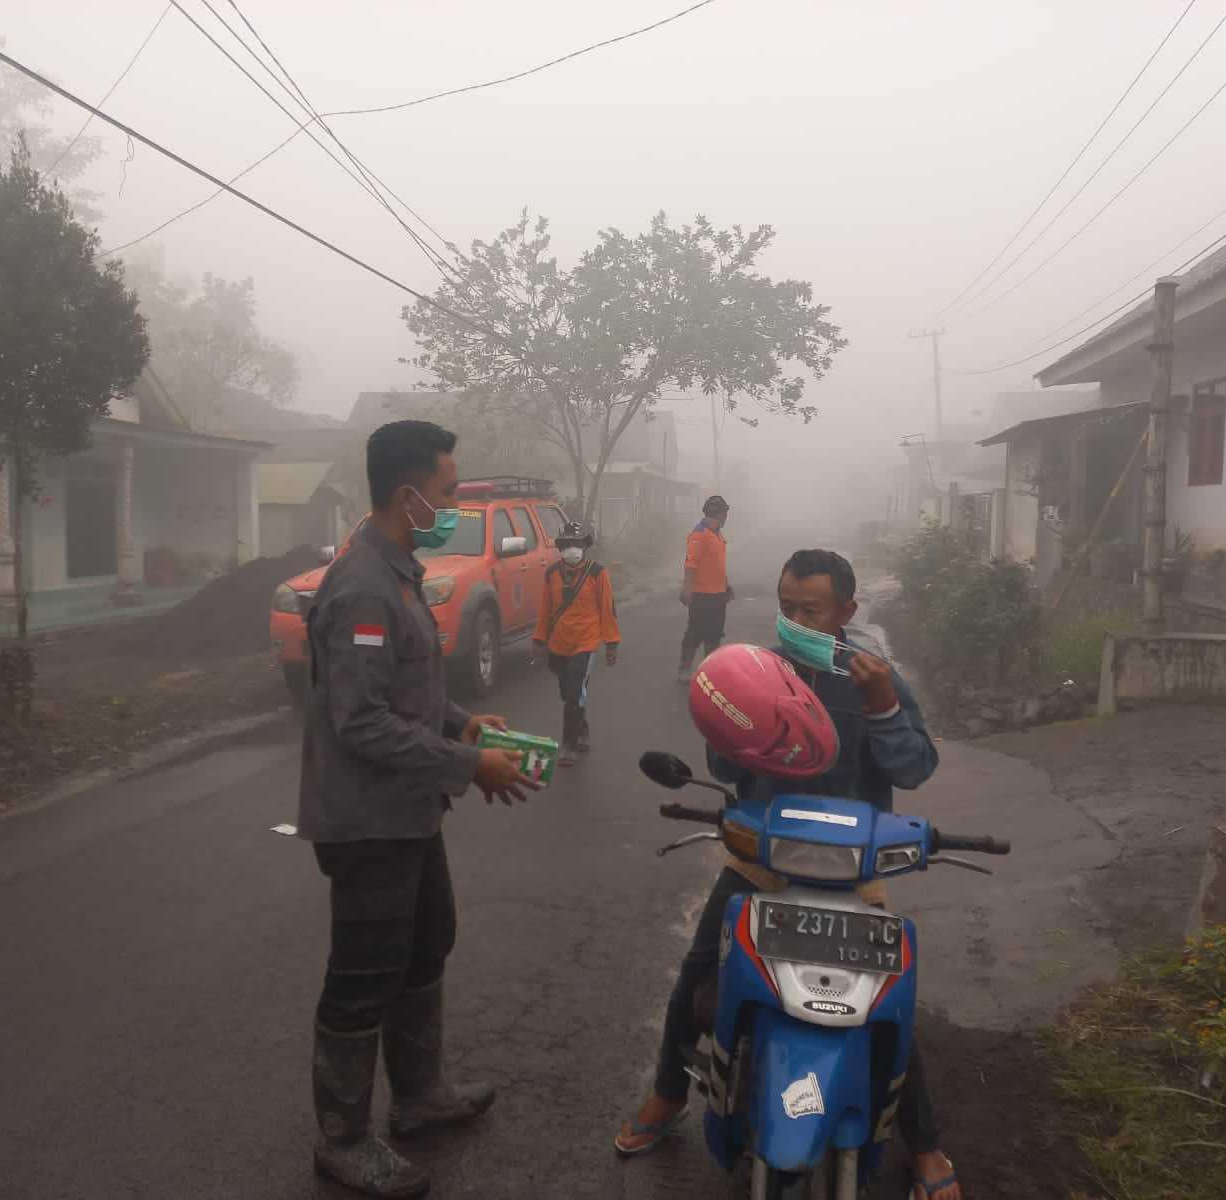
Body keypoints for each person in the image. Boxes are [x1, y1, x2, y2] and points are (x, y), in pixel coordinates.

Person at [617, 549, 961, 1200]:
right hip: (762, 863)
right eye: (787, 606)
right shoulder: (759, 669)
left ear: (846, 613)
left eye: (812, 610)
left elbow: (913, 768)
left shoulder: (874, 678)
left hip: (851, 874)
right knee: (699, 974)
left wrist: (884, 707)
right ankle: (669, 1094)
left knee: (885, 1009)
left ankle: (925, 1143)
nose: (796, 620)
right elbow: (723, 768)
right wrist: (738, 721)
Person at [298, 419, 538, 1198]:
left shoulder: (397, 569)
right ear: (408, 493)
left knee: (429, 941)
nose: (449, 503)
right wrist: (471, 764)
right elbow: (359, 721)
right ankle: (343, 1140)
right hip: (368, 821)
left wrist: (463, 722)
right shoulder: (364, 584)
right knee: (363, 975)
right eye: (443, 491)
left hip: (408, 810)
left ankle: (420, 1098)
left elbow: (407, 692)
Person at [531, 521, 621, 767]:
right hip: (559, 644)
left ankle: (568, 746)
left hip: (587, 642)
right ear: (561, 547)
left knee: (573, 692)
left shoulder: (597, 572)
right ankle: (582, 728)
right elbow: (545, 610)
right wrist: (539, 640)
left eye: (577, 544)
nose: (573, 548)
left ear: (585, 546)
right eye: (568, 544)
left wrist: (611, 644)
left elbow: (607, 607)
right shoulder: (551, 574)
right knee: (568, 693)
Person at [679, 495, 731, 682]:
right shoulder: (699, 534)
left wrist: (726, 586)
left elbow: (716, 564)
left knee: (715, 634)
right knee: (695, 632)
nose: (726, 516)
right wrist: (687, 588)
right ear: (718, 513)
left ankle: (710, 672)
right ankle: (684, 669)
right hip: (702, 595)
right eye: (725, 512)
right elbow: (691, 563)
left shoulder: (717, 533)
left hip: (718, 594)